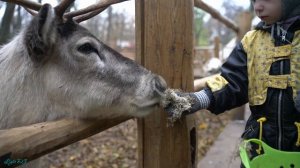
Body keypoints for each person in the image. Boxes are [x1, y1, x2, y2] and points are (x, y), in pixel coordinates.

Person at [165, 0, 300, 167]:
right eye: (254, 0)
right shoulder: (252, 42)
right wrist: (198, 99)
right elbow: (233, 81)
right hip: (260, 147)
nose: (257, 7)